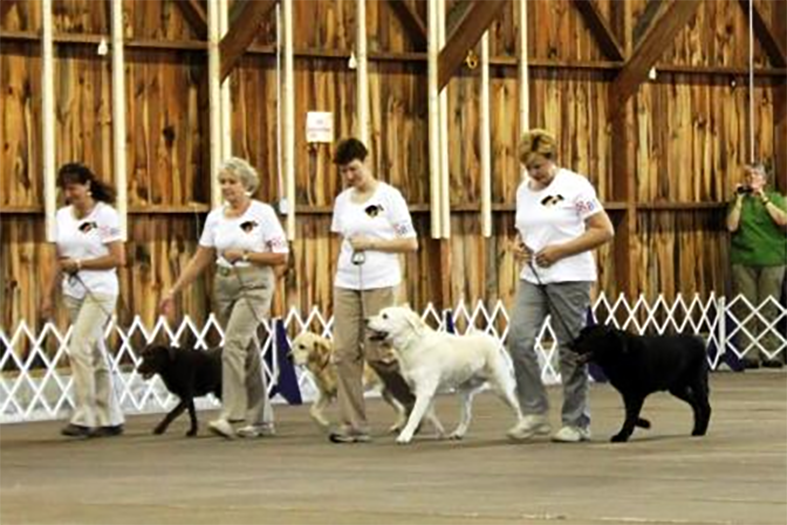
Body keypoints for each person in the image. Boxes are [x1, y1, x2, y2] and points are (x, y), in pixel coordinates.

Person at [160, 157, 289, 438]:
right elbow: (200, 259)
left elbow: (281, 255)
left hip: (255, 283)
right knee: (248, 351)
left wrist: (245, 254)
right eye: (223, 182)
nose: (227, 188)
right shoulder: (215, 218)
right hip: (225, 284)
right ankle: (261, 419)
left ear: (247, 185)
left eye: (233, 182)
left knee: (232, 345)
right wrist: (174, 290)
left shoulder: (263, 213)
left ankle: (231, 414)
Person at [506, 129, 614, 443]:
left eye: (538, 166)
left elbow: (603, 230)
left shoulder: (575, 186)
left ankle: (576, 422)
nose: (533, 174)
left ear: (553, 159)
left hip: (570, 277)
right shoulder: (523, 190)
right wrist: (517, 248)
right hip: (533, 276)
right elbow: (522, 230)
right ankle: (534, 412)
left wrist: (560, 250)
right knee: (518, 338)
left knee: (571, 348)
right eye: (528, 167)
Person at [328, 138, 418, 443]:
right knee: (343, 353)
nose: (350, 176)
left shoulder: (390, 197)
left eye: (353, 169)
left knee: (378, 353)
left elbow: (410, 243)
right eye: (344, 172)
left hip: (381, 280)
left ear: (366, 162)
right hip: (347, 280)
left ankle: (413, 402)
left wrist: (374, 243)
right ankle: (354, 424)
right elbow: (339, 239)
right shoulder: (342, 202)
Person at [41, 163, 126, 438]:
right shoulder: (62, 217)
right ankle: (110, 417)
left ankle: (84, 416)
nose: (70, 193)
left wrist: (80, 263)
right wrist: (47, 295)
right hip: (73, 293)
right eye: (66, 189)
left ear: (88, 185)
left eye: (74, 187)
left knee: (79, 347)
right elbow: (57, 260)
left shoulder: (107, 215)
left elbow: (117, 258)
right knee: (95, 351)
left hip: (100, 291)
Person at [726, 163, 787, 369]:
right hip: (744, 260)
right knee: (747, 307)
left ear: (764, 179)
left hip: (772, 260)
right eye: (748, 175)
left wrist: (764, 198)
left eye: (756, 174)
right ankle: (748, 352)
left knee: (769, 307)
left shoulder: (777, 198)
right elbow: (731, 226)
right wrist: (739, 201)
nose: (751, 178)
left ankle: (770, 352)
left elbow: (783, 220)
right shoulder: (738, 200)